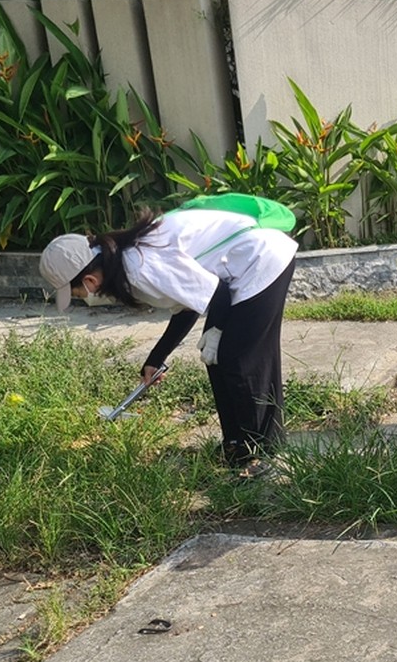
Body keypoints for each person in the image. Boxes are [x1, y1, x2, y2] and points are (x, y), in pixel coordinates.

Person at [39, 201, 298, 474]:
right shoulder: (125, 262)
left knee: (237, 359)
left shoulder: (139, 267)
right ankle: (237, 445)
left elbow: (217, 293)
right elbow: (188, 303)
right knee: (218, 359)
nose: (86, 297)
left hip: (261, 259)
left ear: (90, 280)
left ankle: (259, 454)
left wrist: (217, 332)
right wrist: (156, 358)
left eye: (79, 293)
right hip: (237, 271)